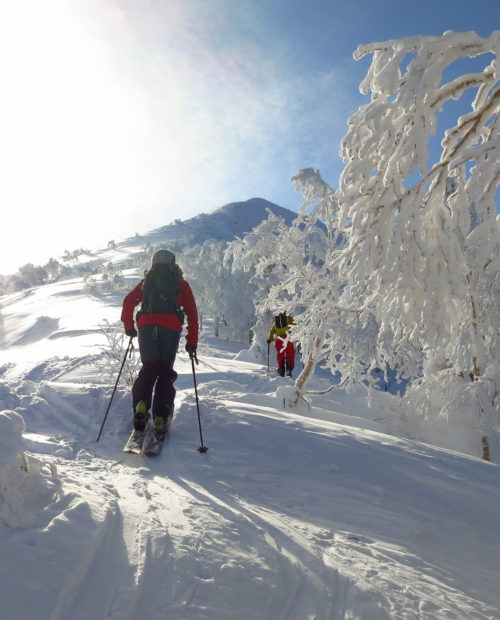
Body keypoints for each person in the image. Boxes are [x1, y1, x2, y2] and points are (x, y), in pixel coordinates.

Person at [121, 249, 198, 437]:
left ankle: (141, 405)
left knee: (148, 369)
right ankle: (161, 416)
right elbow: (192, 314)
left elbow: (128, 302)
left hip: (146, 327)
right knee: (165, 372)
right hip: (170, 329)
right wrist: (192, 342)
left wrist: (129, 327)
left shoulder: (146, 283)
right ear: (173, 263)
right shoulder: (181, 284)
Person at [267, 311, 295, 377]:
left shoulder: (276, 322)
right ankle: (289, 369)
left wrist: (269, 339)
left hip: (279, 339)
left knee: (280, 354)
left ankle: (281, 369)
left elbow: (272, 331)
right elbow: (297, 328)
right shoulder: (290, 320)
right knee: (290, 354)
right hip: (288, 339)